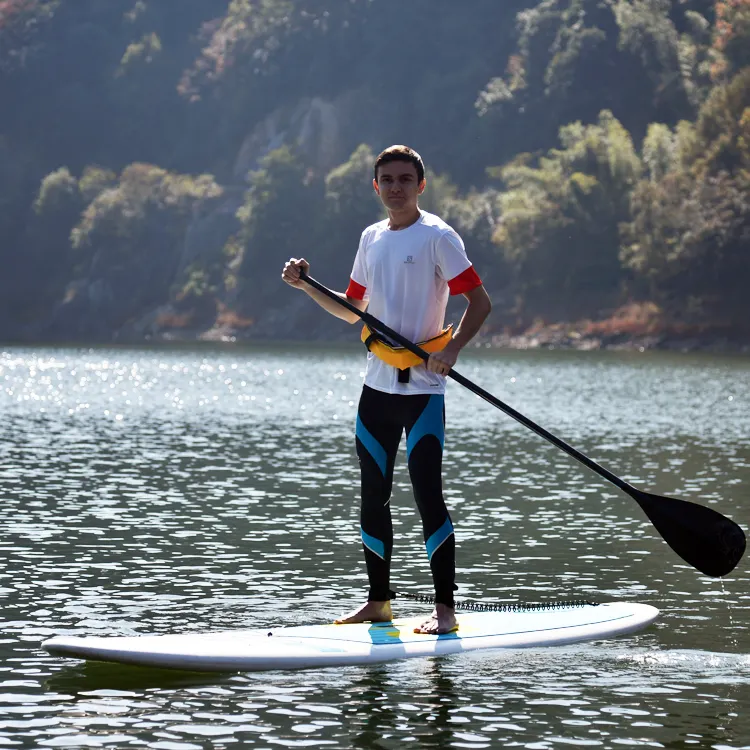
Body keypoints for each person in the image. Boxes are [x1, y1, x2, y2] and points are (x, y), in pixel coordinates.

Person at [281, 145, 491, 634]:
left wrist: (453, 349)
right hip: (375, 390)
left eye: (404, 179)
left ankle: (444, 611)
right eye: (386, 180)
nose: (395, 187)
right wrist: (308, 287)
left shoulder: (438, 237)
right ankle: (379, 602)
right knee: (371, 496)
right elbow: (352, 307)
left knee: (427, 496)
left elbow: (479, 303)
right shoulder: (371, 238)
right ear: (376, 188)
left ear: (421, 185)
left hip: (423, 391)